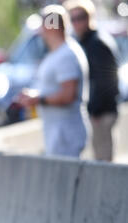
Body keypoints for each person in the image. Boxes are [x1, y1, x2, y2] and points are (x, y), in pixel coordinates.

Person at [16, 5, 89, 158]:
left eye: (43, 24)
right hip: (59, 132)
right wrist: (35, 94)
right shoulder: (58, 53)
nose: (40, 30)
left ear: (51, 26)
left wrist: (38, 98)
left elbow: (68, 95)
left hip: (66, 133)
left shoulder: (66, 54)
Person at [64, 0, 120, 161]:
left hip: (102, 113)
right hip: (97, 111)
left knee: (104, 161)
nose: (77, 22)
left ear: (90, 17)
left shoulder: (97, 42)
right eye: (72, 18)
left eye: (81, 17)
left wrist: (96, 110)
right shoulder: (85, 41)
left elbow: (107, 80)